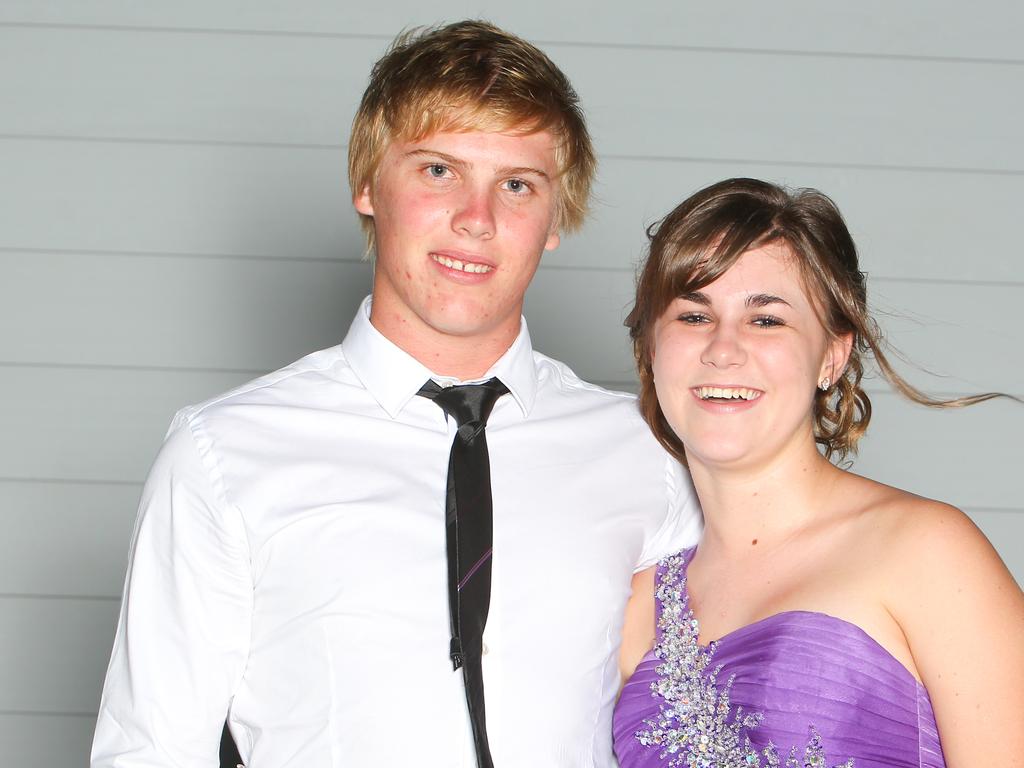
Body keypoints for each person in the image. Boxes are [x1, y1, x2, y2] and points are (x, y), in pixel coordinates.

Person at [90, 20, 701, 768]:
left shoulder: (648, 453)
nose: (477, 221)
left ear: (555, 221)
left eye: (517, 185)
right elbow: (149, 751)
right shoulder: (222, 456)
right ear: (368, 185)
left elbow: (703, 717)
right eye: (439, 171)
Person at [612, 178, 1024, 767]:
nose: (723, 350)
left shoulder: (927, 551)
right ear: (652, 349)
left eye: (767, 320)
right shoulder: (637, 606)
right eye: (694, 315)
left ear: (833, 354)